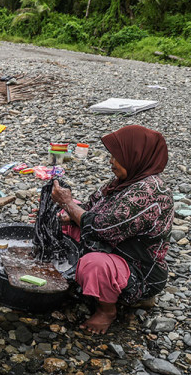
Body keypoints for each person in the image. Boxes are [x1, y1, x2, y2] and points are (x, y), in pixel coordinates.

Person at [51, 125, 173, 334]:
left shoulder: (147, 193)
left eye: (117, 157)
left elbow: (100, 228)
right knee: (60, 220)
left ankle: (107, 311)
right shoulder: (125, 181)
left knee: (93, 264)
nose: (111, 161)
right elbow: (91, 208)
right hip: (113, 246)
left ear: (135, 157)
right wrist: (67, 214)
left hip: (140, 272)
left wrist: (68, 204)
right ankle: (88, 282)